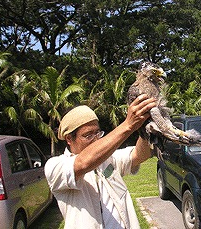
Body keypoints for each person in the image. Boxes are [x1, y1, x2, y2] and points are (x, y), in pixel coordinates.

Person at [45, 94, 157, 229]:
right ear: (69, 139)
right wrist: (128, 125)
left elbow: (139, 155)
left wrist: (145, 127)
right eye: (88, 135)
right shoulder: (55, 167)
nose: (96, 139)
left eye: (98, 133)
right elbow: (83, 163)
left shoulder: (108, 159)